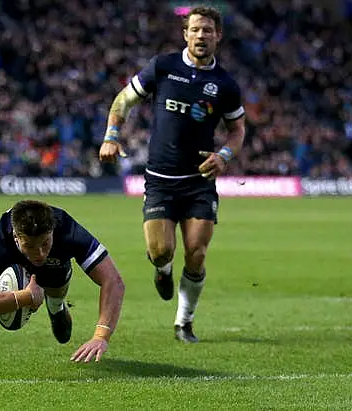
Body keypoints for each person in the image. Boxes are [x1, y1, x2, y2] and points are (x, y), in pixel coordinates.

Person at [99, 7, 246, 343]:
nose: (201, 36)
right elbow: (124, 100)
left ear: (217, 36)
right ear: (185, 34)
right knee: (161, 251)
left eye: (208, 30)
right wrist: (111, 136)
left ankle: (184, 322)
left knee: (196, 252)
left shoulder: (224, 84)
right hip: (161, 180)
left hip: (199, 181)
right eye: (195, 29)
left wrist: (224, 155)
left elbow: (237, 129)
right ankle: (162, 270)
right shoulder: (163, 67)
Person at [0, 200, 125, 363]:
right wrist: (26, 297)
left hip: (56, 268)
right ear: (16, 236)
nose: (39, 253)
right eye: (30, 246)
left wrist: (100, 336)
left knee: (55, 279)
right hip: (15, 268)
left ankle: (55, 306)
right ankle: (43, 298)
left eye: (45, 243)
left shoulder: (68, 230)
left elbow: (113, 280)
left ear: (52, 231)